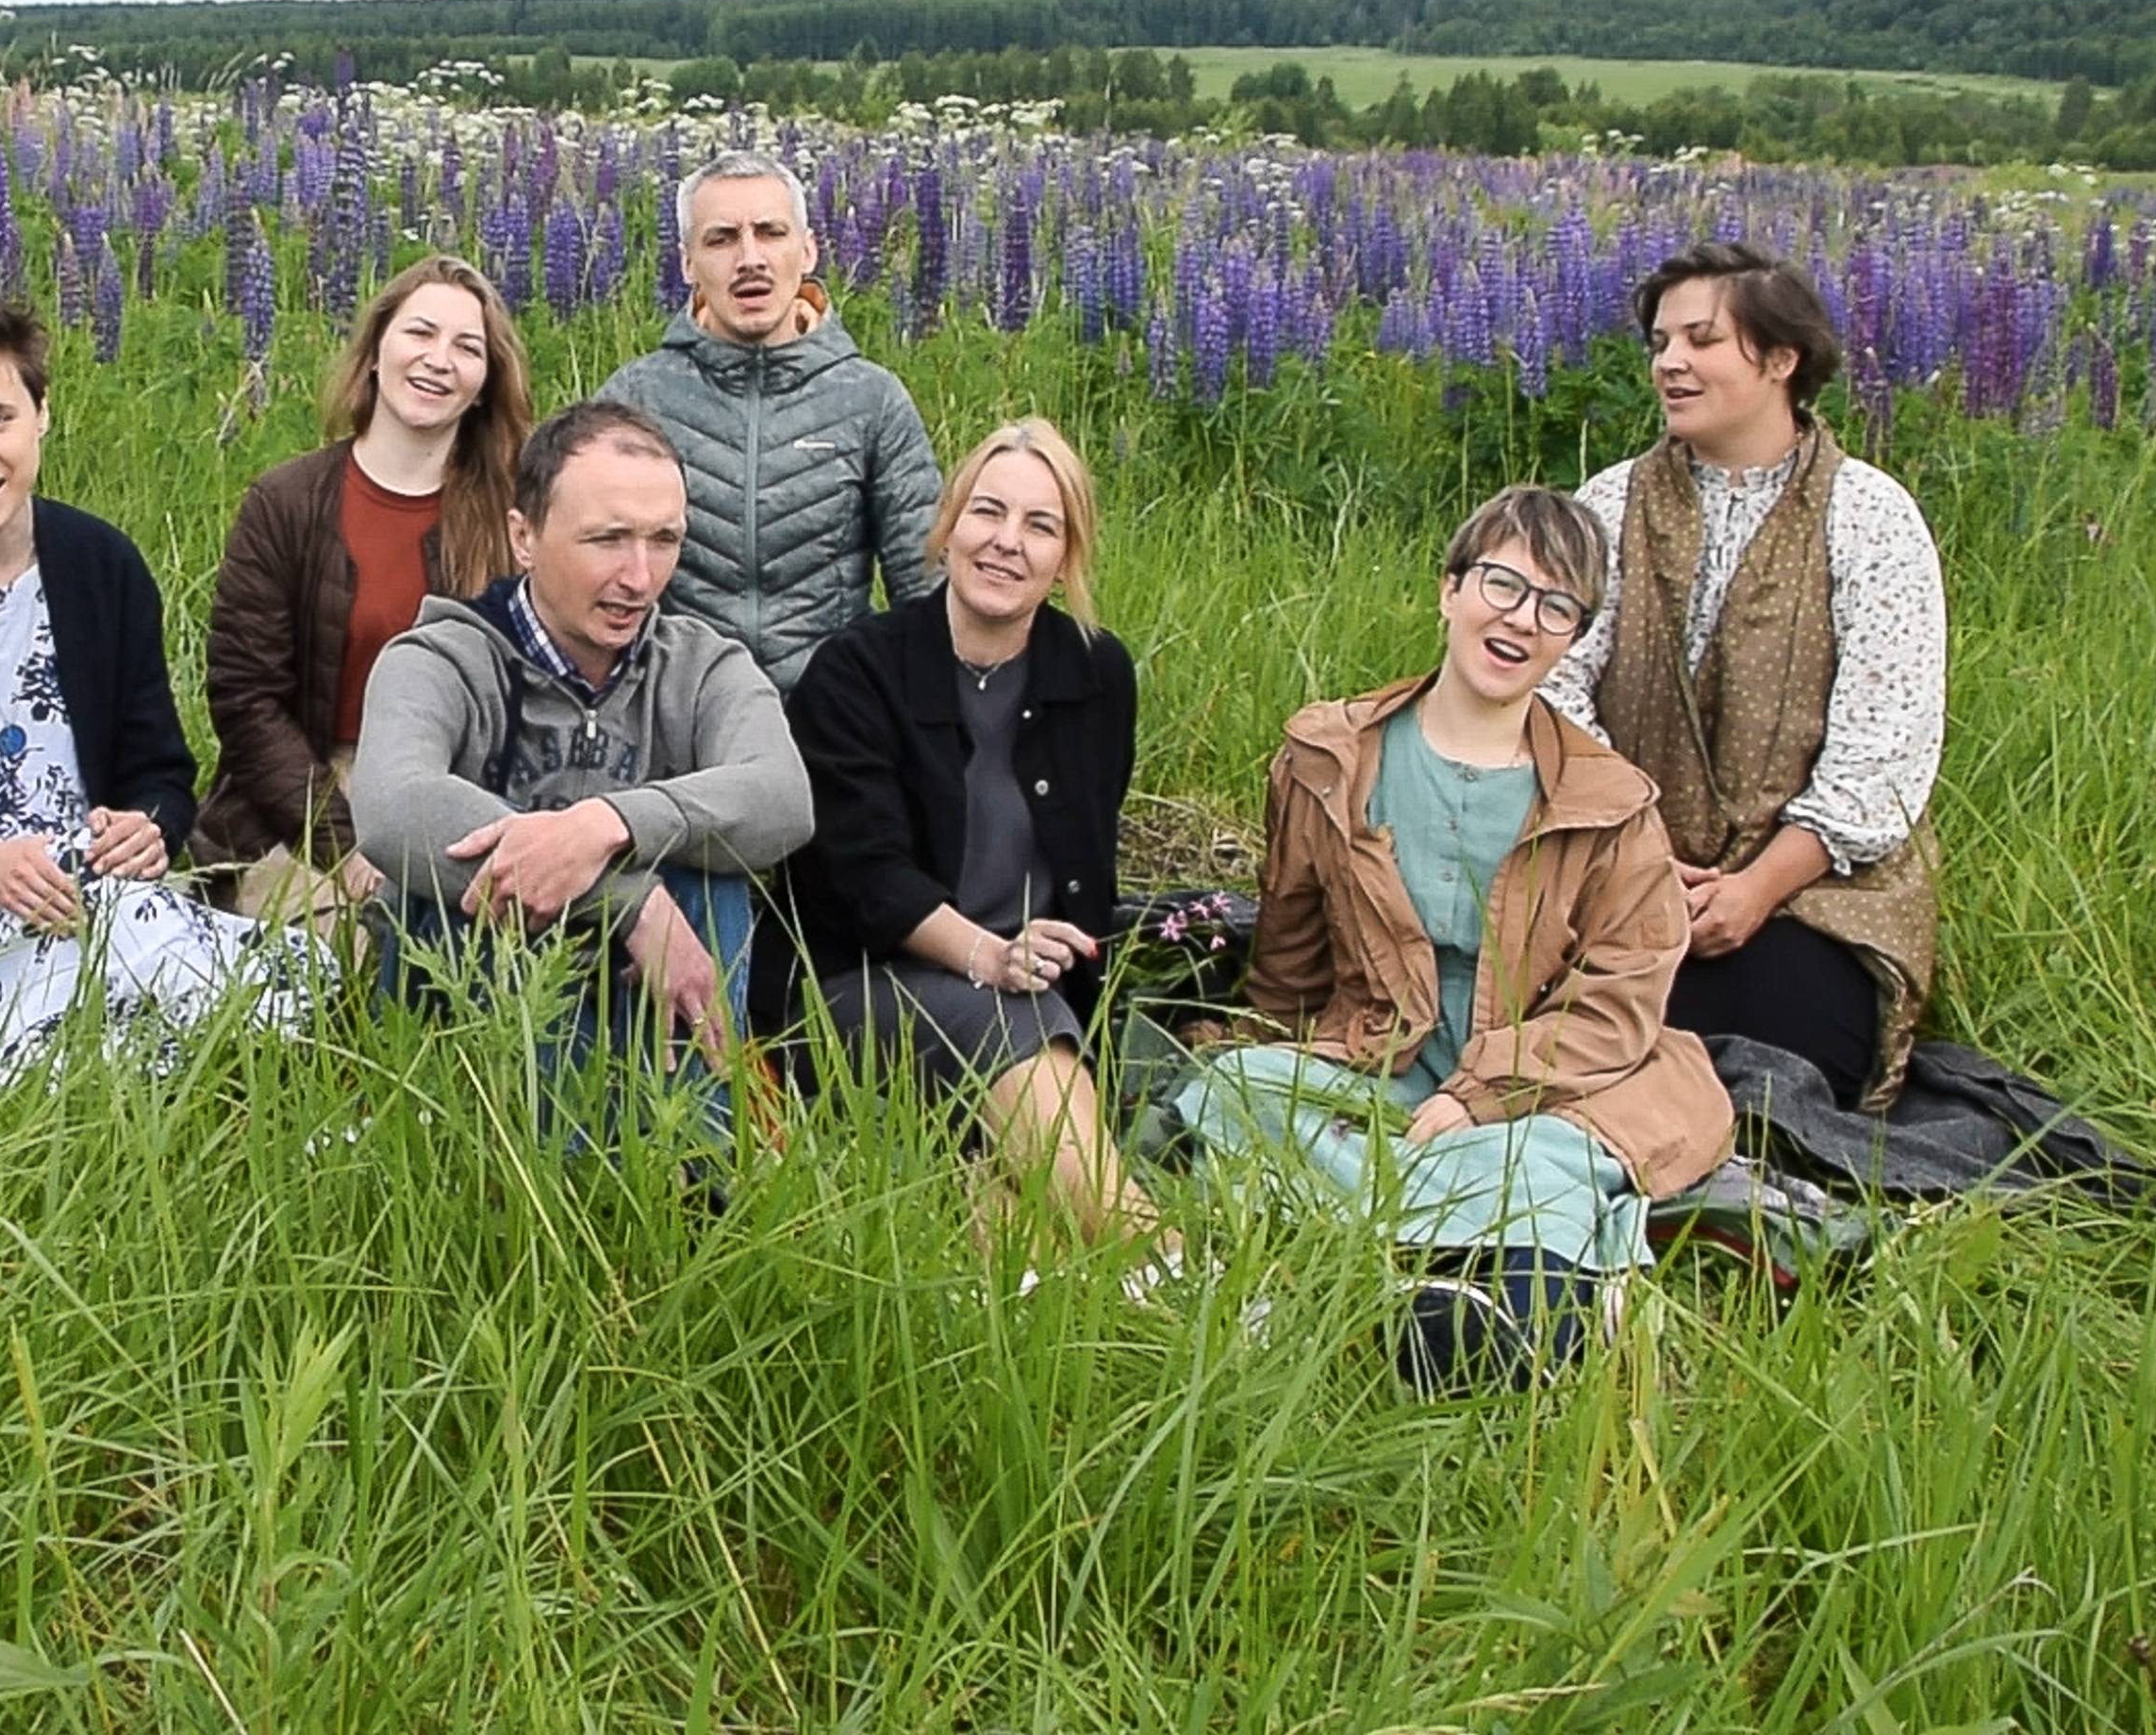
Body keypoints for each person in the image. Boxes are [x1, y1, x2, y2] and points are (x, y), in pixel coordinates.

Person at [1180, 487, 1733, 1390]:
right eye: (1503, 586)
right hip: (1382, 1065)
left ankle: (1472, 1302)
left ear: (1573, 637)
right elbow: (1290, 953)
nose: (1521, 620)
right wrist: (1266, 1047)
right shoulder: (1331, 758)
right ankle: (1470, 1260)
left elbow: (1616, 1007)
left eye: (1557, 607)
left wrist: (1482, 1096)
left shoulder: (1613, 805)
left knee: (1553, 1156)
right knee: (1229, 1093)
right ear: (1450, 589)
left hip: (1544, 1086)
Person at [0, 292, 323, 1084]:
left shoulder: (103, 567)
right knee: (105, 1048)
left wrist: (148, 828)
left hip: (99, 903)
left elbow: (161, 774)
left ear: (42, 416)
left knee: (294, 982)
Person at [1542, 242, 1948, 1112]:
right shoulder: (1610, 502)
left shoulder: (1870, 515)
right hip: (1622, 857)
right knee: (1562, 1017)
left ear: (1780, 360)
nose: (1669, 363)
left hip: (1811, 891)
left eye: (1701, 340)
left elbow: (1883, 751)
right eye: (1660, 343)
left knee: (1774, 1053)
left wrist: (1754, 890)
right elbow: (1554, 687)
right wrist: (1640, 853)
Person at [349, 401, 813, 1136]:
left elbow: (784, 797)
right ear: (524, 537)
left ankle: (693, 1163)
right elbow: (391, 807)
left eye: (664, 540)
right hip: (479, 1013)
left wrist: (608, 824)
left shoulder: (702, 666)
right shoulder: (441, 657)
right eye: (607, 540)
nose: (640, 576)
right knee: (480, 877)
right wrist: (623, 898)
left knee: (711, 872)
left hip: (653, 1010)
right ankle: (530, 1165)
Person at [775, 420, 1159, 1247]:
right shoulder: (858, 669)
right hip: (863, 989)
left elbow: (1089, 864)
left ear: (1067, 556)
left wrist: (1030, 968)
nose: (1006, 542)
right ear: (947, 527)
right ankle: (1160, 1254)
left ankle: (1124, 1293)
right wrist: (991, 957)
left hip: (1034, 1003)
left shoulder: (1097, 673)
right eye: (988, 512)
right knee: (1011, 1024)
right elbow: (864, 879)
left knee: (1009, 1218)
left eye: (1040, 525)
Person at [193, 255, 532, 920]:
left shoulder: (513, 516)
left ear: (485, 385)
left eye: (467, 348)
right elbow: (247, 699)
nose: (439, 360)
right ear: (376, 352)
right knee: (344, 949)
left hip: (463, 789)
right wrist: (343, 846)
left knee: (484, 943)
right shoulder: (286, 501)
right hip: (307, 797)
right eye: (420, 333)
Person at [595, 150, 941, 694]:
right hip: (676, 712)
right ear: (688, 264)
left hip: (831, 715)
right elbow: (577, 573)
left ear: (807, 251)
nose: (749, 258)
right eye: (721, 239)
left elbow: (926, 590)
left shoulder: (872, 399)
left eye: (770, 233)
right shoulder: (636, 399)